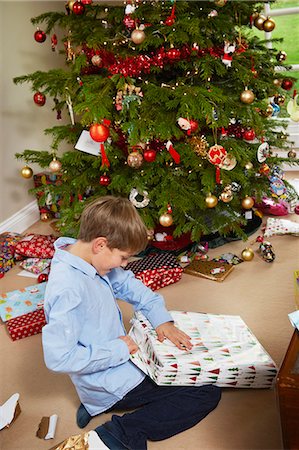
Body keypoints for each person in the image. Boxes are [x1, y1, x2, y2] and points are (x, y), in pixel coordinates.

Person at [42, 196, 221, 450]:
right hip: (113, 378)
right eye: (124, 258)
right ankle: (121, 432)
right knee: (206, 390)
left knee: (189, 364)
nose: (124, 266)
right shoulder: (68, 289)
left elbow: (137, 290)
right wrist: (119, 349)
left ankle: (94, 404)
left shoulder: (87, 256)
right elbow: (58, 357)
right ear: (100, 244)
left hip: (122, 364)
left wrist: (162, 321)